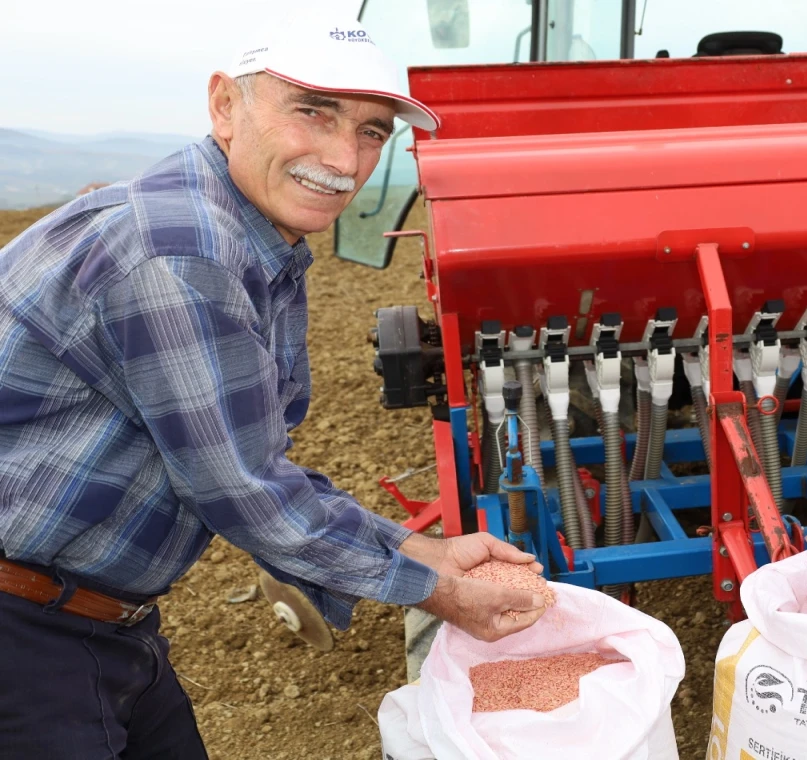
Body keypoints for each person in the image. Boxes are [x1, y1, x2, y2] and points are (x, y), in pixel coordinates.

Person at [0, 17, 546, 759]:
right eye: (311, 111)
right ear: (225, 106)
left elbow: (251, 463)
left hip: (95, 620)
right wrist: (438, 587)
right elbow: (243, 488)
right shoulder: (181, 252)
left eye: (372, 132)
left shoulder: (251, 240)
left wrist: (429, 555)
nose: (343, 157)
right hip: (26, 632)